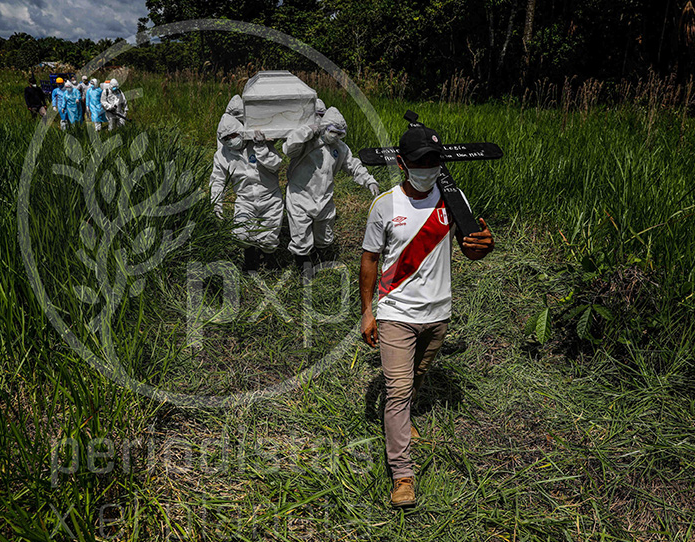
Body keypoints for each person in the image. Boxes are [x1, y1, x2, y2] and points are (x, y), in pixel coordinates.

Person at [359, 125, 494, 508]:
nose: (427, 168)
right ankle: (402, 475)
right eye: (419, 162)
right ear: (403, 163)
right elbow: (369, 259)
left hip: (439, 312)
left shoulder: (453, 198)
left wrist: (485, 245)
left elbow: (472, 249)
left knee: (416, 376)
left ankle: (400, 418)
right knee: (399, 390)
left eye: (434, 161)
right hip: (395, 312)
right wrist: (368, 312)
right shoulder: (385, 205)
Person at [283, 106, 379, 268]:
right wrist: (305, 132)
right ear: (323, 127)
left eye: (340, 134)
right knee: (301, 236)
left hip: (324, 197)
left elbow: (353, 165)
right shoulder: (308, 144)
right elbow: (289, 148)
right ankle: (303, 268)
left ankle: (321, 260)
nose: (335, 136)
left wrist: (369, 180)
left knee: (324, 236)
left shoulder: (340, 148)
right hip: (300, 196)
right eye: (332, 131)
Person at [209, 114, 284, 273]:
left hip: (270, 198)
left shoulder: (258, 143)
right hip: (245, 200)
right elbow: (217, 180)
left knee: (269, 240)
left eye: (233, 135)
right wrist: (216, 204)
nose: (230, 140)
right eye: (226, 138)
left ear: (241, 132)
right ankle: (250, 257)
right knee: (241, 235)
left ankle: (267, 259)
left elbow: (275, 165)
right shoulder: (222, 155)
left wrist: (262, 148)